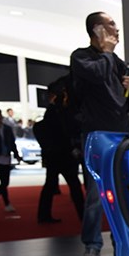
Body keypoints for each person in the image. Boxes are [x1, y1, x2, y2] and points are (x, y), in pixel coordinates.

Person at [70, 11, 129, 256]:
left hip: (120, 132)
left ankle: (121, 241)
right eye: (111, 24)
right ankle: (92, 244)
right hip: (96, 134)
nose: (116, 29)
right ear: (97, 29)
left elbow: (123, 99)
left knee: (121, 191)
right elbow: (96, 75)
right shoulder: (81, 57)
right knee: (95, 194)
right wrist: (107, 51)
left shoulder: (116, 61)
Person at [34, 78, 85, 224]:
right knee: (73, 186)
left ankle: (44, 215)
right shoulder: (61, 111)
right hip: (63, 154)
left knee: (52, 185)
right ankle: (83, 216)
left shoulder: (54, 111)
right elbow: (66, 130)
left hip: (56, 155)